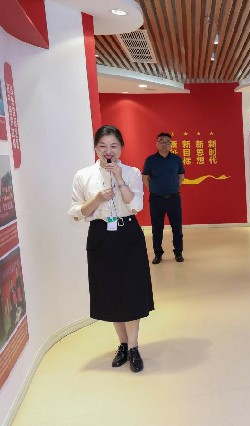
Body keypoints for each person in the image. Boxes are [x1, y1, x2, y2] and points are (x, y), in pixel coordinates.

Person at [69, 125, 154, 373]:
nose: (109, 151)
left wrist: (119, 179)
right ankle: (123, 345)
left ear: (121, 148)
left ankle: (134, 347)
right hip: (100, 236)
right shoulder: (83, 175)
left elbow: (136, 205)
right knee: (111, 292)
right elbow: (76, 212)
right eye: (103, 146)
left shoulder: (132, 172)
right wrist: (97, 199)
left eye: (114, 146)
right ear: (96, 148)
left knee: (131, 291)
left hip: (128, 235)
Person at [142, 132, 185, 264]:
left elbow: (181, 176)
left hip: (173, 199)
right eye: (161, 141)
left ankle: (178, 253)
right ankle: (158, 254)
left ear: (171, 144)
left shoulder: (176, 159)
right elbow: (145, 178)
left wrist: (174, 187)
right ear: (157, 144)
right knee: (157, 228)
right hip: (156, 200)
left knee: (177, 227)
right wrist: (152, 190)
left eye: (167, 142)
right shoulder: (150, 160)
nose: (164, 144)